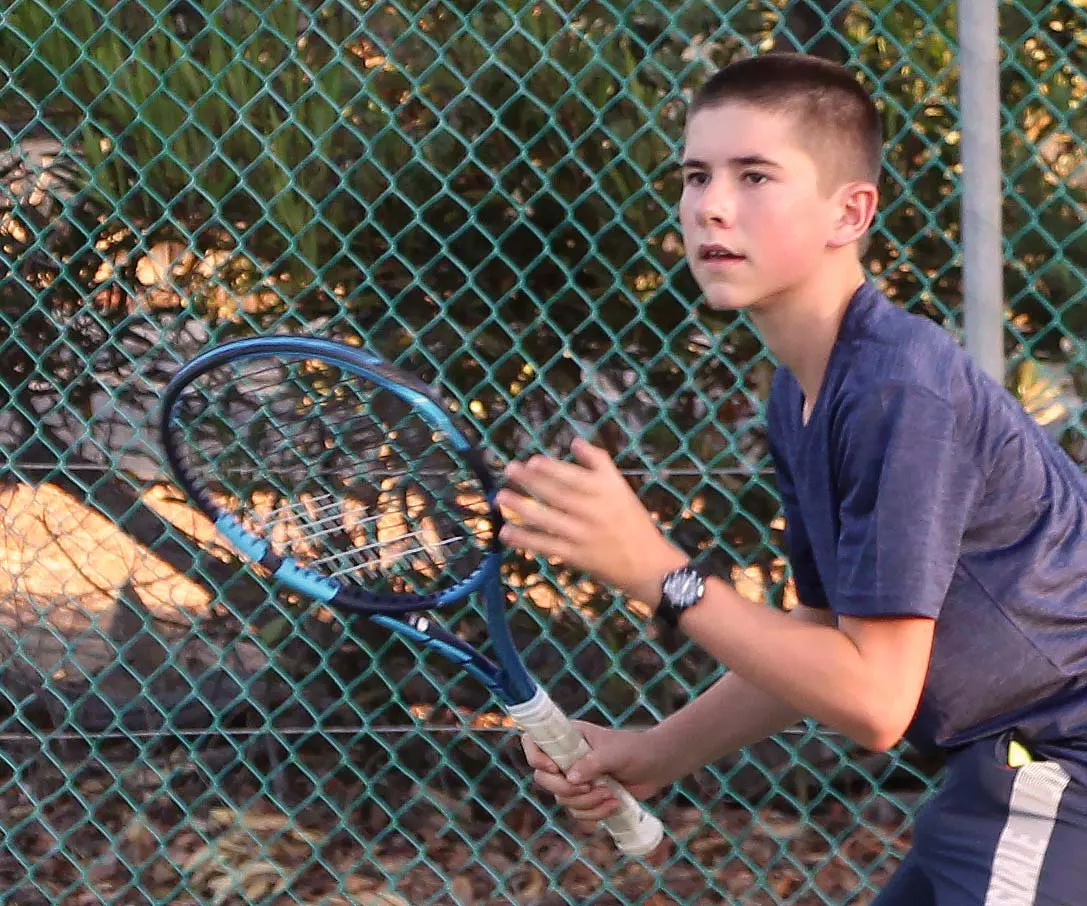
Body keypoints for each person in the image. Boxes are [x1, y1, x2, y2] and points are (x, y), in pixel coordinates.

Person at [495, 52, 1087, 904]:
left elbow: (875, 701)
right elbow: (820, 636)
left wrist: (661, 575)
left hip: (1058, 765)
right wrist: (659, 750)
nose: (712, 205)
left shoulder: (894, 387)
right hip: (1017, 769)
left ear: (848, 211)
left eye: (755, 175)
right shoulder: (807, 390)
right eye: (696, 175)